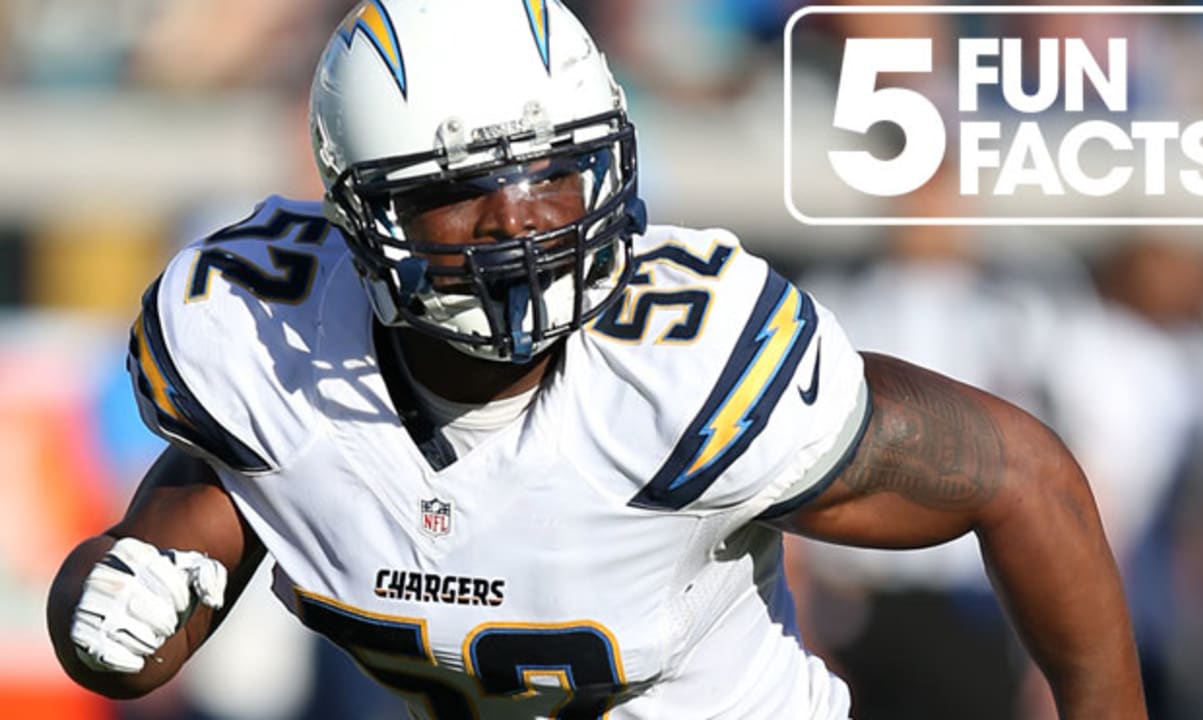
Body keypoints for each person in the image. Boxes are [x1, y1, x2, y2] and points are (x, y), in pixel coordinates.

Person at [46, 1, 1146, 718]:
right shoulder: (266, 346)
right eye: (460, 189)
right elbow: (160, 585)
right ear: (359, 212)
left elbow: (1019, 477)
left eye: (550, 175)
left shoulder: (682, 368)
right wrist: (101, 614)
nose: (519, 222)